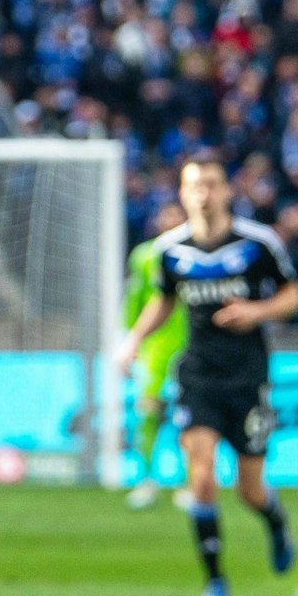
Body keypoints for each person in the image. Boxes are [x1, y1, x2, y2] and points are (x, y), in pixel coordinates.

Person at [117, 153, 298, 596]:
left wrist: (255, 312)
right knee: (199, 478)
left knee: (248, 489)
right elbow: (163, 300)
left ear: (226, 191)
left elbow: (292, 295)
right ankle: (215, 580)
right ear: (182, 194)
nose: (203, 194)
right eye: (195, 186)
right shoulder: (170, 250)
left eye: (212, 184)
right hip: (197, 375)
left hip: (248, 377)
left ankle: (275, 522)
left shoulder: (257, 244)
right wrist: (133, 340)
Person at [122, 202, 191, 509]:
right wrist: (129, 340)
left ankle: (189, 483)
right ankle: (146, 481)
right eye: (167, 213)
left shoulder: (197, 252)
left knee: (189, 417)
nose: (171, 218)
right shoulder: (144, 255)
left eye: (176, 214)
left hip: (191, 344)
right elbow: (136, 299)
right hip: (155, 347)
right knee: (148, 413)